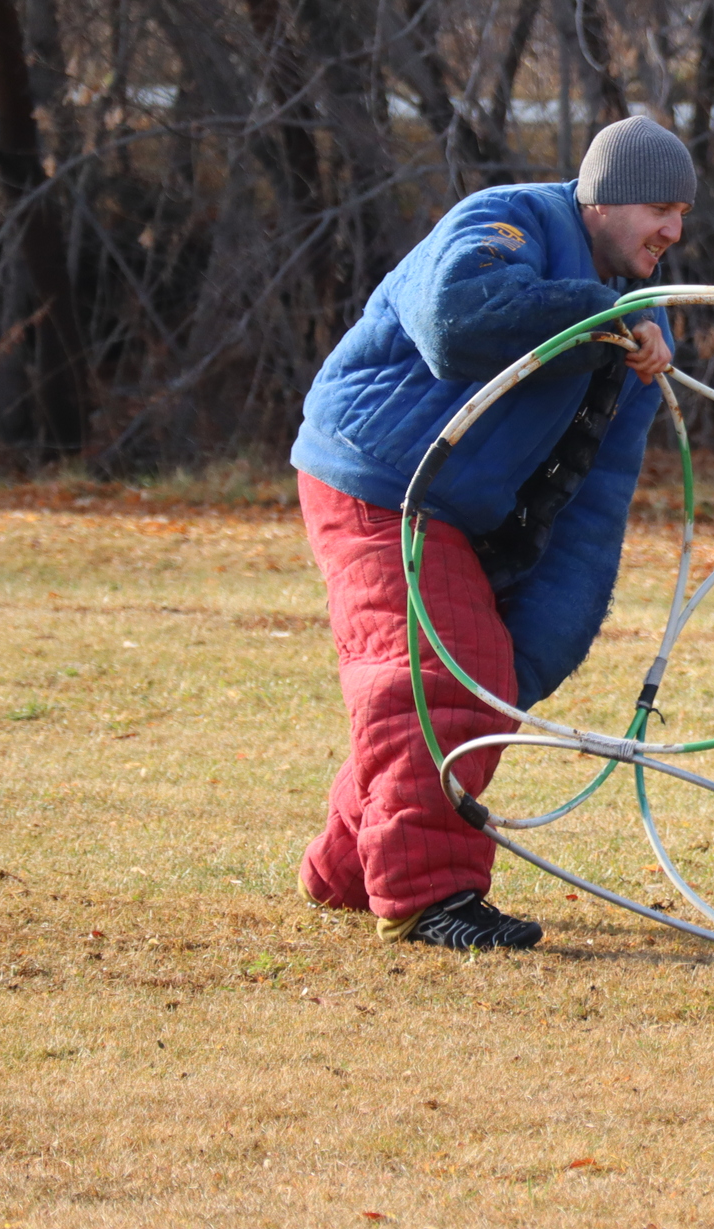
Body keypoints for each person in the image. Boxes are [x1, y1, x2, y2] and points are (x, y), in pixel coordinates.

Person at [289, 116, 692, 950]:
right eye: (659, 206)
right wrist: (599, 318)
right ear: (603, 198)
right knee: (440, 675)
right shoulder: (507, 221)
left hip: (454, 509)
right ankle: (429, 896)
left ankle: (346, 870)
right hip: (377, 474)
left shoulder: (638, 333)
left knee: (475, 675)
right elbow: (456, 320)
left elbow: (595, 493)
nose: (674, 232)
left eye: (683, 214)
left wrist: (538, 647)